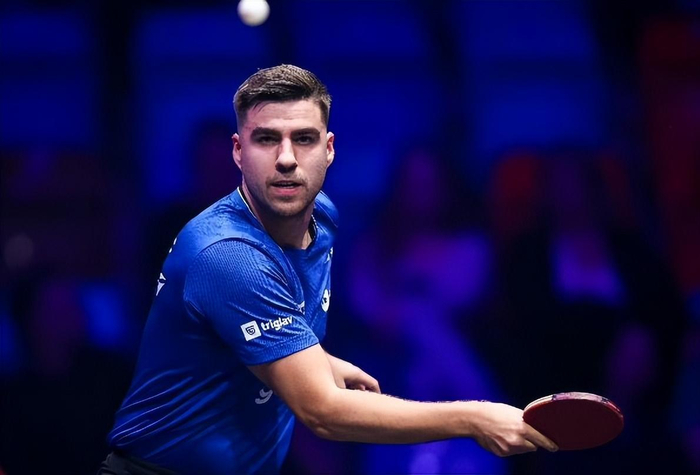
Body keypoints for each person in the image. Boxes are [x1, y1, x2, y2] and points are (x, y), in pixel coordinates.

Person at [99, 64, 557, 475]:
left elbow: (252, 337)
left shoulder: (321, 219)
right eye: (266, 139)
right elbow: (322, 413)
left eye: (303, 138)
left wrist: (316, 361)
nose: (286, 158)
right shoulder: (226, 253)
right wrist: (473, 418)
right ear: (238, 152)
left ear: (329, 148)